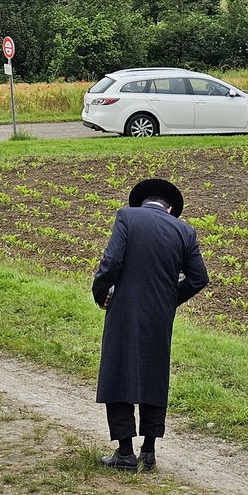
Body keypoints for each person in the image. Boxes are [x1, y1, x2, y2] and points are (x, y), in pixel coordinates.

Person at [93, 178, 209, 472]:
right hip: (160, 314)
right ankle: (149, 450)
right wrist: (169, 299)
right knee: (153, 376)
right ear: (170, 209)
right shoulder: (185, 231)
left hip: (124, 309)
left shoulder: (127, 217)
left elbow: (111, 262)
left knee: (120, 373)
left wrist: (101, 293)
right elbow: (198, 278)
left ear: (142, 203)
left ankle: (124, 453)